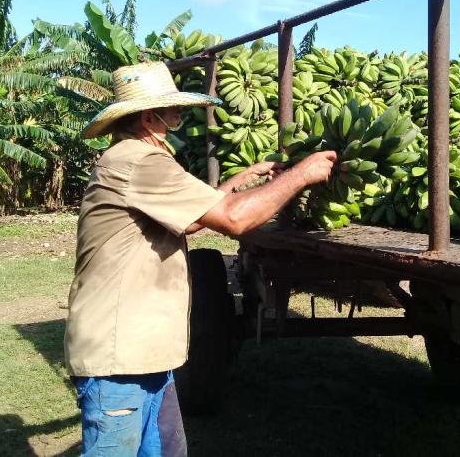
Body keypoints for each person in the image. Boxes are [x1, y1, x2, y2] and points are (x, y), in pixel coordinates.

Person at [64, 61, 337, 456]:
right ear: (147, 116)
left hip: (147, 349)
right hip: (118, 356)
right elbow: (233, 219)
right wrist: (300, 175)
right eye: (172, 107)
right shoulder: (141, 162)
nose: (180, 113)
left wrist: (246, 177)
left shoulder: (133, 158)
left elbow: (193, 220)